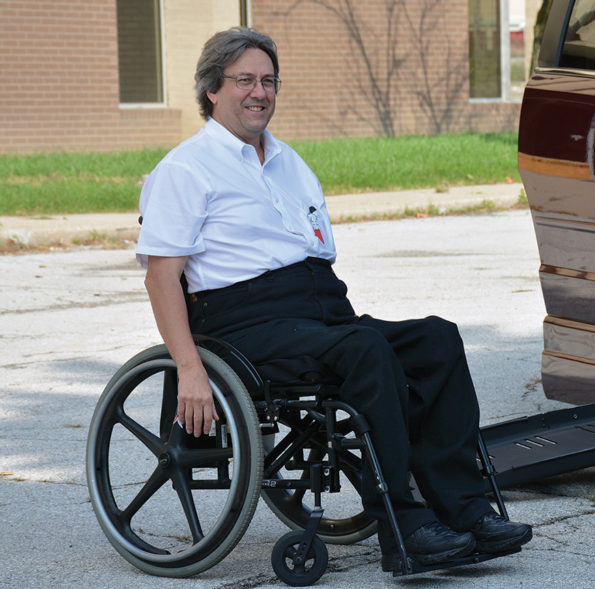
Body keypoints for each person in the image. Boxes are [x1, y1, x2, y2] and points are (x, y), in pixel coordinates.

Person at [135, 27, 531, 572]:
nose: (259, 92)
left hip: (322, 311)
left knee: (437, 337)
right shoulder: (185, 169)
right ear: (212, 90)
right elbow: (162, 279)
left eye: (268, 81)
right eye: (244, 80)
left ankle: (465, 510)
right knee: (364, 349)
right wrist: (189, 367)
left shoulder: (291, 164)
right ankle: (404, 525)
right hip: (245, 326)